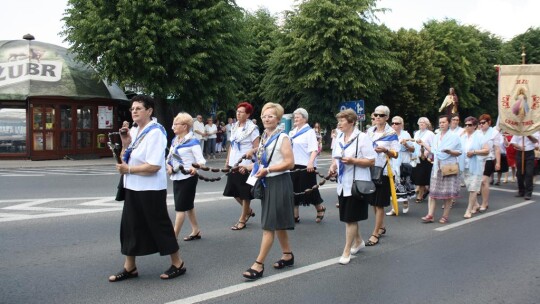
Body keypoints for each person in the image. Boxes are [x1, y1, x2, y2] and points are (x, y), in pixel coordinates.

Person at [110, 95, 185, 282]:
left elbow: (154, 166)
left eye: (138, 108)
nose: (134, 111)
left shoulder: (156, 132)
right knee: (130, 226)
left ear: (149, 111)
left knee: (159, 226)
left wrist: (128, 169)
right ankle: (130, 267)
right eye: (132, 108)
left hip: (150, 189)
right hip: (133, 187)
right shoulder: (134, 131)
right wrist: (125, 143)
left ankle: (178, 263)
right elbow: (124, 158)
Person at [241, 102, 295, 280]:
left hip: (278, 181)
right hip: (267, 180)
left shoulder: (282, 137)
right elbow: (265, 160)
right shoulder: (265, 135)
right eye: (264, 115)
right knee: (276, 222)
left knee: (268, 225)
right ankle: (287, 255)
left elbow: (290, 163)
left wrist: (269, 170)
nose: (266, 118)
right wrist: (251, 166)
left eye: (270, 116)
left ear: (278, 119)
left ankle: (258, 264)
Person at [329, 109, 376, 265]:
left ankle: (347, 250)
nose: (339, 124)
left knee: (350, 218)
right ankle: (359, 241)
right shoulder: (339, 137)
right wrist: (333, 167)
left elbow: (371, 161)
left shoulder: (362, 138)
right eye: (339, 121)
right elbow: (336, 158)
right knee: (349, 216)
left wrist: (353, 161)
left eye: (342, 121)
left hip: (357, 184)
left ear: (351, 122)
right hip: (343, 183)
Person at [166, 112, 205, 241]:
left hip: (188, 177)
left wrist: (195, 167)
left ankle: (173, 238)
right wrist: (169, 166)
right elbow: (170, 157)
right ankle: (196, 230)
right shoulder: (175, 140)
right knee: (188, 205)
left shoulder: (193, 141)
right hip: (176, 176)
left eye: (175, 124)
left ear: (185, 126)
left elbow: (201, 161)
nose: (173, 127)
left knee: (180, 208)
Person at [366, 105, 399, 246]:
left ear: (386, 117)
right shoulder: (369, 131)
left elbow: (396, 154)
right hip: (370, 169)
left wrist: (386, 150)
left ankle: (375, 234)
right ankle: (382, 226)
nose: (377, 117)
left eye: (381, 115)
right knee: (373, 202)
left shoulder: (391, 133)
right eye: (376, 115)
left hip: (384, 171)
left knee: (379, 204)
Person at [223, 102, 260, 230]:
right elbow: (232, 145)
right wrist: (227, 161)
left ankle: (242, 219)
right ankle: (248, 211)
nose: (238, 114)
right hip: (234, 163)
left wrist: (251, 155)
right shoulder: (234, 126)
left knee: (244, 193)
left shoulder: (252, 128)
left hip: (245, 164)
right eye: (237, 111)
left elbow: (257, 147)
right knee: (233, 191)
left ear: (248, 114)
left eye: (241, 112)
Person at [421, 115, 462, 224]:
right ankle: (430, 215)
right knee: (433, 192)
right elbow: (434, 151)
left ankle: (445, 216)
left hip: (448, 166)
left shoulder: (454, 136)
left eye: (444, 122)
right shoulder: (436, 136)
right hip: (436, 167)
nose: (442, 124)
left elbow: (459, 151)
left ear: (448, 123)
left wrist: (450, 152)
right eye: (440, 122)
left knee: (447, 194)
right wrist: (424, 144)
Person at [289, 108, 326, 223]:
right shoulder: (292, 132)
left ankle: (320, 209)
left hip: (306, 165)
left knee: (310, 189)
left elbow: (314, 149)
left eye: (298, 117)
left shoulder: (309, 132)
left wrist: (310, 162)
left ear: (304, 119)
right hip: (293, 165)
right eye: (295, 117)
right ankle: (295, 215)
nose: (295, 118)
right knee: (293, 189)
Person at [459, 117, 489, 218]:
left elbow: (486, 150)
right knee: (469, 187)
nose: (467, 127)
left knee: (473, 188)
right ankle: (475, 205)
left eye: (470, 125)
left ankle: (469, 210)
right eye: (466, 125)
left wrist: (474, 152)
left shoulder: (480, 136)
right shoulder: (463, 137)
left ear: (475, 126)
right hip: (465, 165)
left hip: (476, 165)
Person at [386, 115, 415, 215]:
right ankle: (394, 208)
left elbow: (413, 149)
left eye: (397, 123)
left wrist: (406, 144)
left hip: (403, 163)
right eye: (393, 123)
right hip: (392, 163)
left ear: (401, 125)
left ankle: (405, 202)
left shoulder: (405, 135)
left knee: (403, 185)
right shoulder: (389, 134)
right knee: (392, 185)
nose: (394, 125)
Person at [478, 114, 501, 212]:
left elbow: (497, 149)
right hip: (478, 159)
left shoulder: (494, 133)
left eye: (483, 122)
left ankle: (484, 203)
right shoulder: (477, 133)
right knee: (479, 182)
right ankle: (478, 203)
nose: (481, 125)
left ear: (489, 122)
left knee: (484, 181)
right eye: (480, 123)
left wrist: (498, 162)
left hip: (489, 158)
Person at [411, 117, 435, 203]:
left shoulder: (430, 134)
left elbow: (433, 146)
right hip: (416, 157)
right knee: (416, 175)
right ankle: (425, 189)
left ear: (427, 124)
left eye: (423, 122)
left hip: (425, 158)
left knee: (421, 176)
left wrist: (427, 152)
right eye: (420, 122)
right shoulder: (417, 133)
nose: (421, 124)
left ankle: (420, 194)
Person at [510, 132, 540, 200]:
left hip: (530, 153)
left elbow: (535, 141)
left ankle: (528, 193)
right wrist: (519, 147)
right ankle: (521, 191)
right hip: (520, 153)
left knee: (529, 173)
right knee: (519, 173)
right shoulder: (518, 131)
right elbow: (513, 142)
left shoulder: (534, 131)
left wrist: (528, 134)